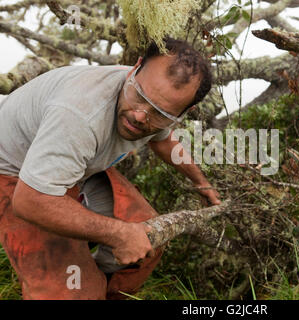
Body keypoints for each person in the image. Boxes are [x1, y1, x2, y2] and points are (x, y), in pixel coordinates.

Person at [0, 38, 221, 300]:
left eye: (160, 113)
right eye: (139, 96)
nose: (140, 116)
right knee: (71, 292)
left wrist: (200, 182)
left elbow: (163, 139)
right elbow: (29, 201)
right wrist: (119, 234)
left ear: (185, 112)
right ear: (135, 68)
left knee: (149, 239)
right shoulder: (79, 113)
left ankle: (96, 283)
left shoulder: (154, 96)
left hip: (74, 169)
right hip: (16, 176)